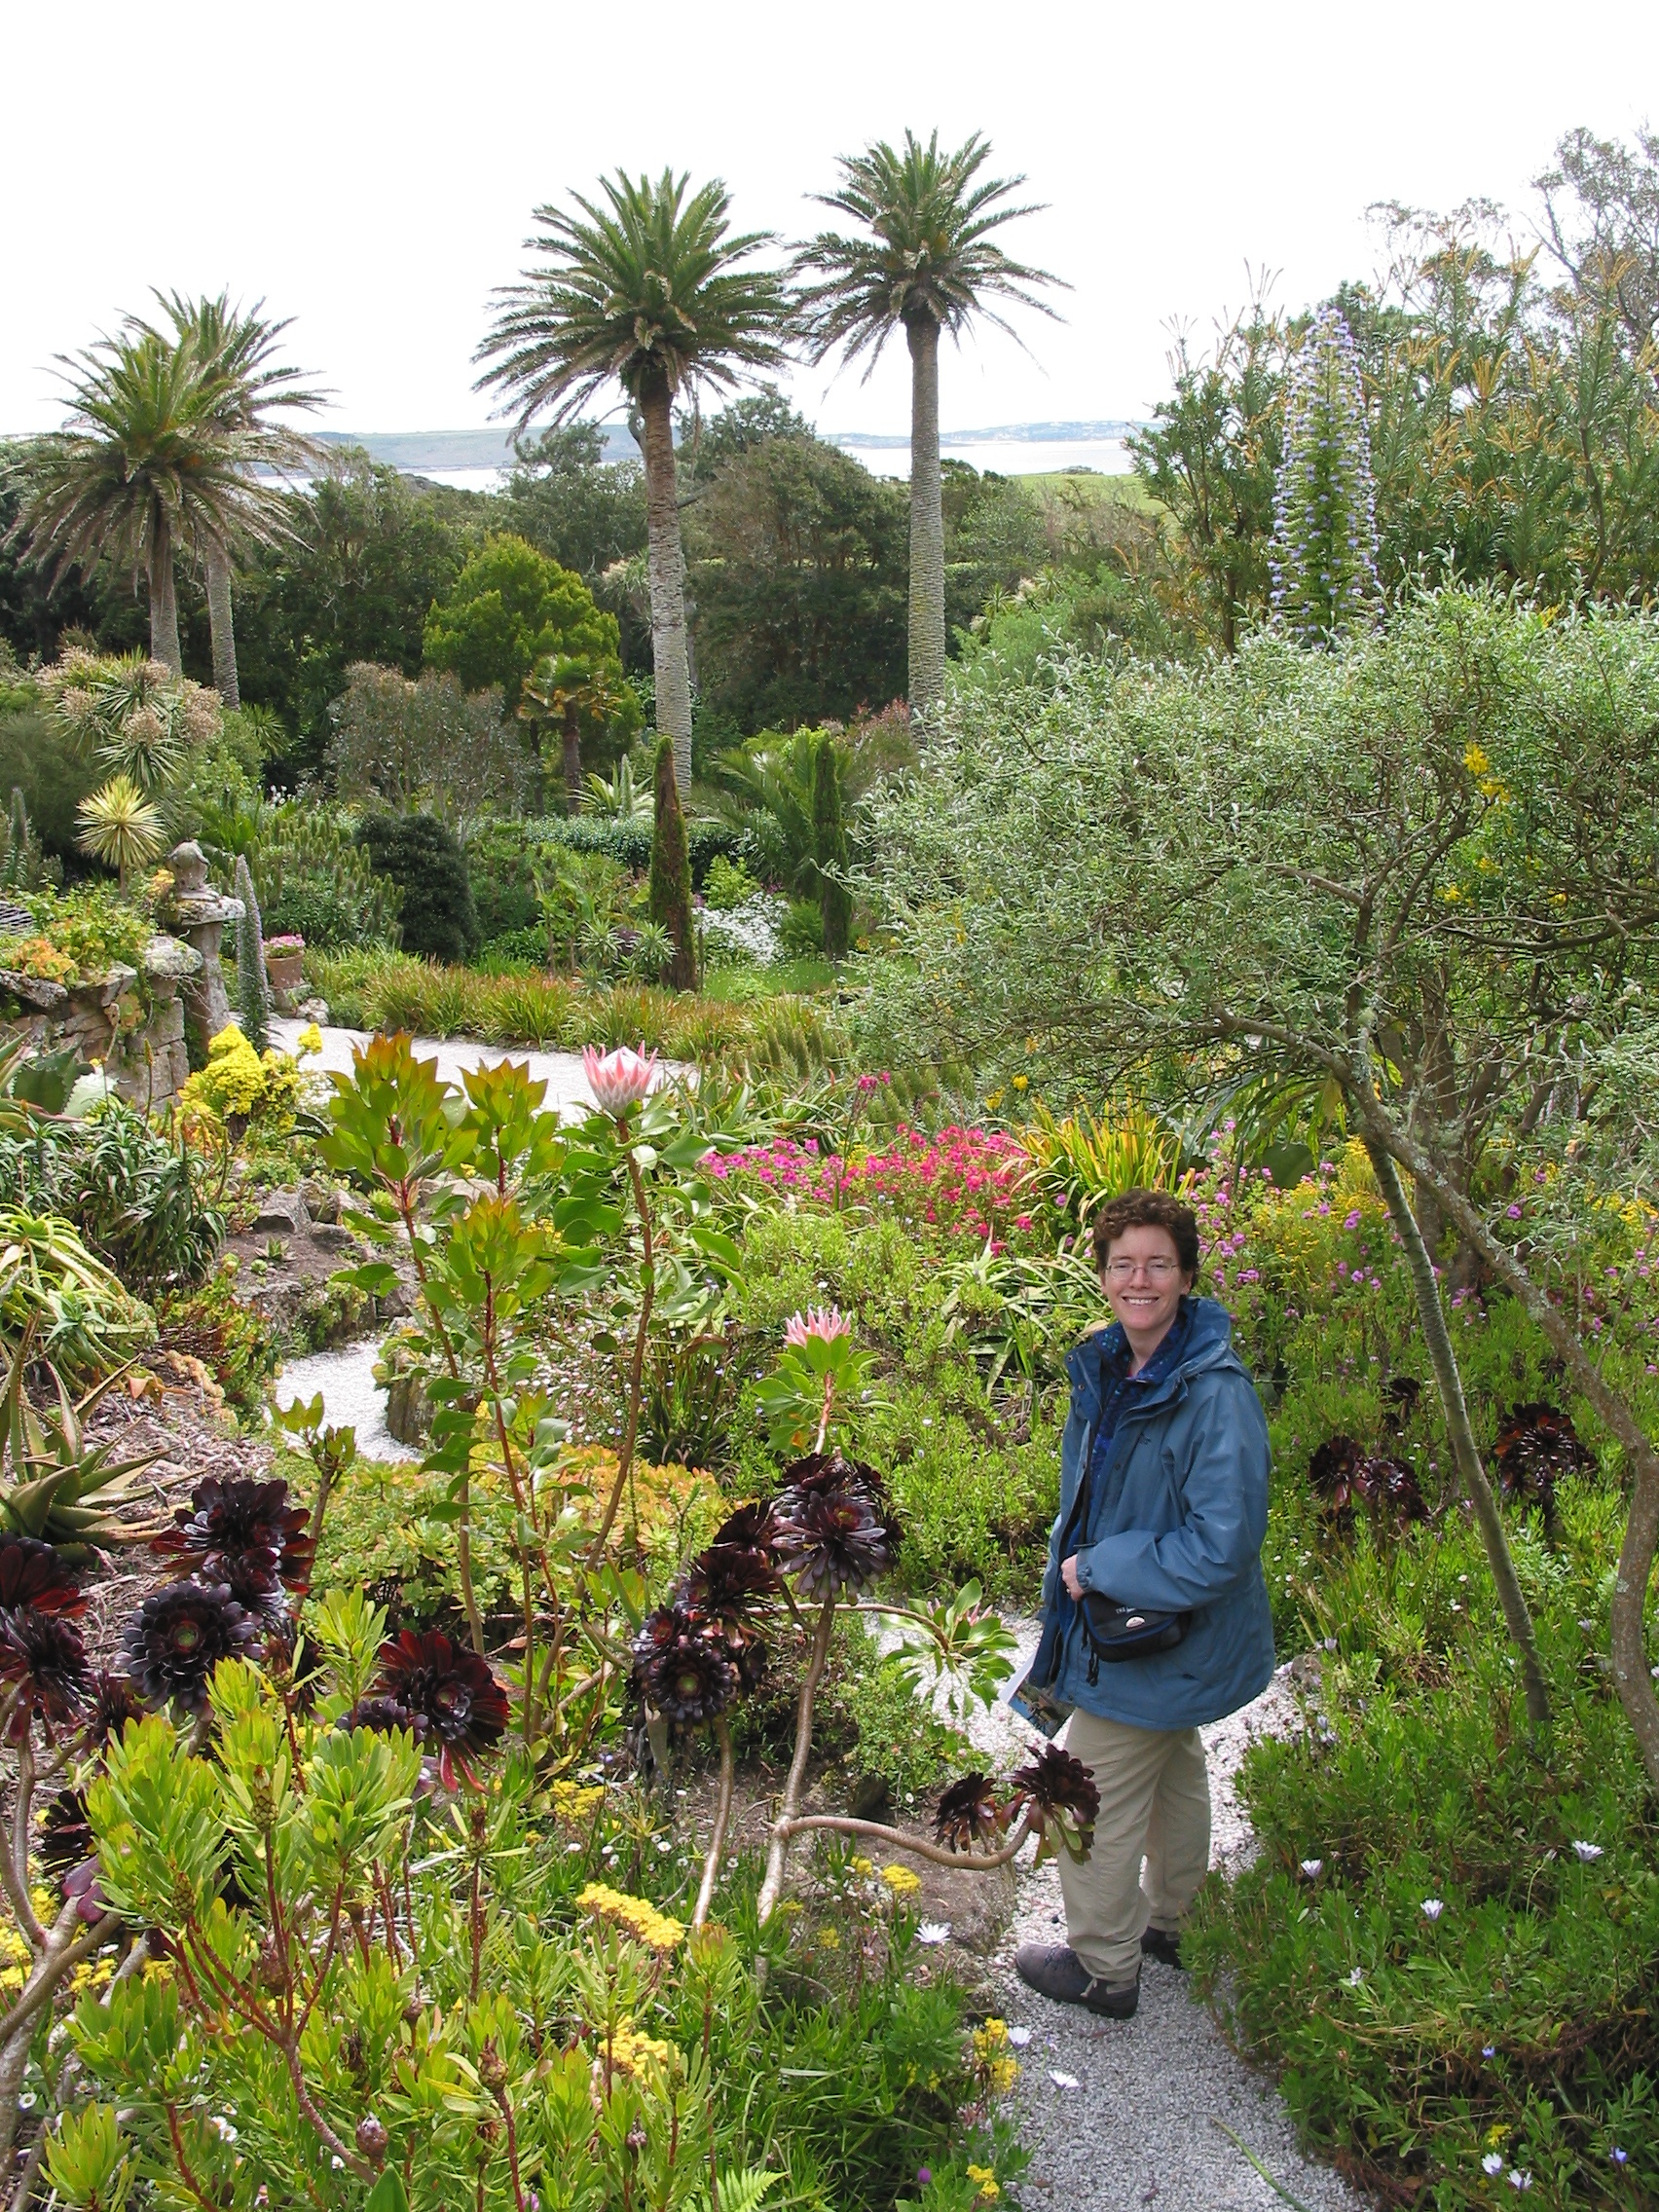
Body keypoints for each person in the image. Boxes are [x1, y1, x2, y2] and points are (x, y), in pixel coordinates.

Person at [1014, 1187, 1274, 2020]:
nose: (1140, 1280)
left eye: (1159, 1264)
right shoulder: (1113, 1366)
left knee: (1085, 1788)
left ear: (1187, 1277)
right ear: (1102, 1274)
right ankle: (1176, 1923)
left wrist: (1101, 1566)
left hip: (1160, 1633)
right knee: (1175, 1765)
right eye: (1123, 1263)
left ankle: (1103, 1968)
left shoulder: (1214, 1392)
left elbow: (1221, 1547)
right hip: (1141, 1631)